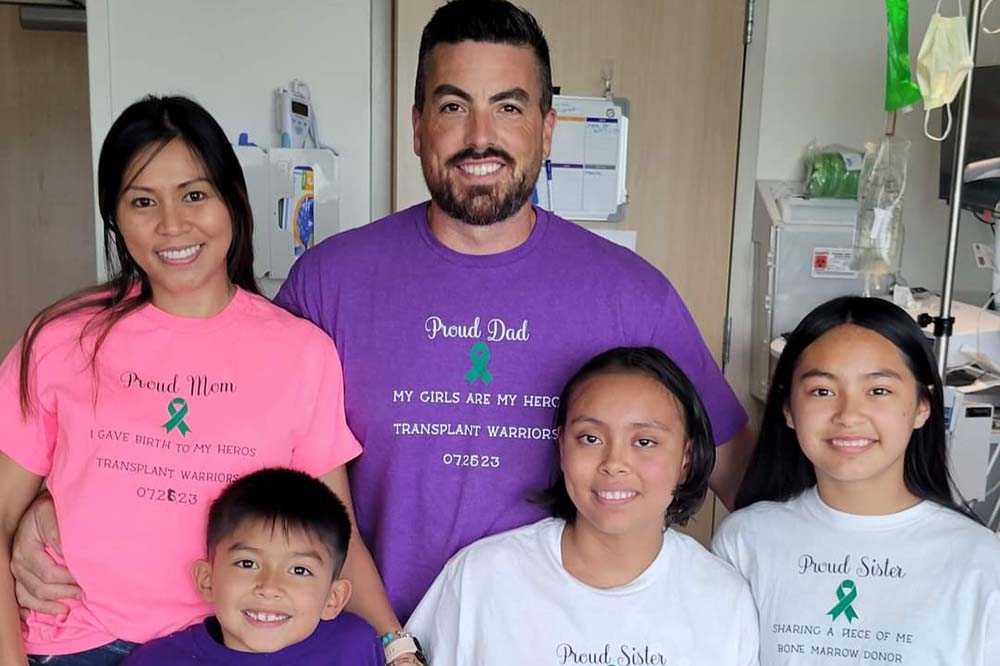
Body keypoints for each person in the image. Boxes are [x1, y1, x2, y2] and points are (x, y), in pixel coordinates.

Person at [13, 0, 754, 638]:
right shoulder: (331, 280)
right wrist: (49, 499)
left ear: (548, 128)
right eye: (453, 105)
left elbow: (740, 477)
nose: (479, 136)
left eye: (510, 107)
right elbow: (218, 425)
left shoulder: (631, 294)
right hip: (356, 639)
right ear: (417, 125)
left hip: (552, 642)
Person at [0, 96, 393, 665]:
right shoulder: (62, 340)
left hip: (228, 645)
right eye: (142, 201)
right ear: (115, 217)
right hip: (76, 643)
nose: (172, 224)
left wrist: (394, 643)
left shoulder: (300, 353)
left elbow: (334, 533)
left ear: (232, 200)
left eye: (194, 194)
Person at [406, 347, 759, 664]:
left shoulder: (723, 599)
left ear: (686, 458)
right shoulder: (481, 577)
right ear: (561, 447)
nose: (614, 462)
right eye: (590, 438)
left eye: (645, 441)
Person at [712, 296, 1000, 665]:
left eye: (878, 391)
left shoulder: (979, 560)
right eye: (822, 391)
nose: (848, 415)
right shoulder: (745, 542)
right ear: (788, 409)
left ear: (922, 407)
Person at [122, 468, 383, 665]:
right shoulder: (158, 661)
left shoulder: (354, 647)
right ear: (207, 580)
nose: (270, 587)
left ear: (333, 598)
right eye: (248, 563)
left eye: (299, 570)